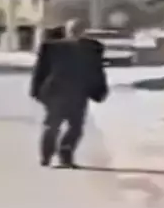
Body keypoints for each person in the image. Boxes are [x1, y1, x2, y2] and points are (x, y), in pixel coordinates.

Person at [30, 18, 109, 168]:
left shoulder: (92, 48)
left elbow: (97, 71)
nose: (75, 32)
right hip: (59, 93)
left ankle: (62, 155)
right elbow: (41, 69)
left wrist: (100, 90)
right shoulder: (51, 47)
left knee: (72, 127)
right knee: (57, 125)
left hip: (76, 93)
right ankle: (50, 155)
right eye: (73, 29)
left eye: (77, 29)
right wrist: (35, 89)